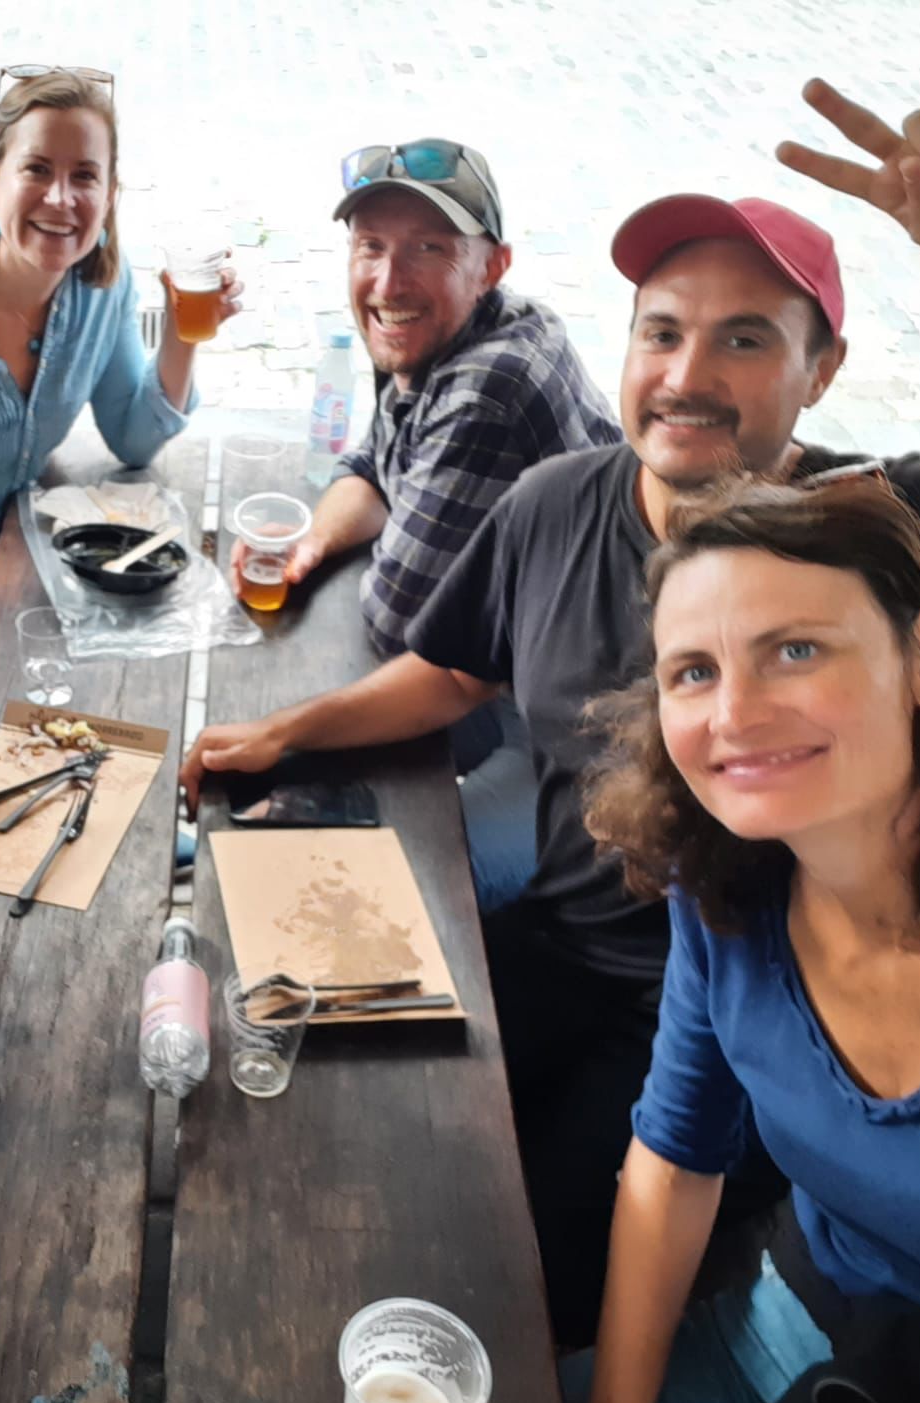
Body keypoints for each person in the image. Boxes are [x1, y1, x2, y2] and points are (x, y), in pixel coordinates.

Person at [181, 79, 920, 1346]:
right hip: (547, 941)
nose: (689, 375)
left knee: (519, 1288)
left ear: (822, 368)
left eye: (746, 339)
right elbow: (460, 670)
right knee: (316, 1123)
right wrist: (287, 733)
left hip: (748, 1045)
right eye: (662, 332)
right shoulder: (558, 500)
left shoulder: (894, 537)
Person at [354, 477, 920, 1403]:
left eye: (796, 650)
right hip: (809, 1326)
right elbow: (674, 1158)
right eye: (694, 670)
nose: (735, 714)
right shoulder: (732, 883)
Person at [273, 136, 621, 908]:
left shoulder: (489, 387)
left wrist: (391, 525)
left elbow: (404, 622)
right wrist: (311, 546)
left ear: (492, 265)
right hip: (505, 680)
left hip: (587, 752)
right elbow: (371, 468)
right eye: (371, 247)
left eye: (428, 248)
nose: (388, 280)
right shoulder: (434, 326)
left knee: (366, 888)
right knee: (287, 774)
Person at [0, 65, 242, 552]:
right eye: (36, 169)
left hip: (30, 550)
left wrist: (183, 332)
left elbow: (133, 441)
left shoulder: (105, 290)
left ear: (109, 195)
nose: (60, 198)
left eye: (84, 176)